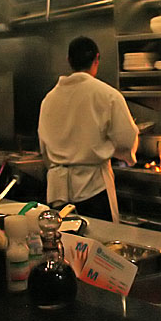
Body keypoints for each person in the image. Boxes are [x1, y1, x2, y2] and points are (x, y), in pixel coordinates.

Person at [38, 36, 138, 222]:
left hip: (58, 190)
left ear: (69, 61)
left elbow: (44, 147)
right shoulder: (107, 94)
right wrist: (124, 156)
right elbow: (126, 139)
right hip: (94, 188)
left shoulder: (49, 99)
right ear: (97, 59)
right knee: (100, 244)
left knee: (65, 245)